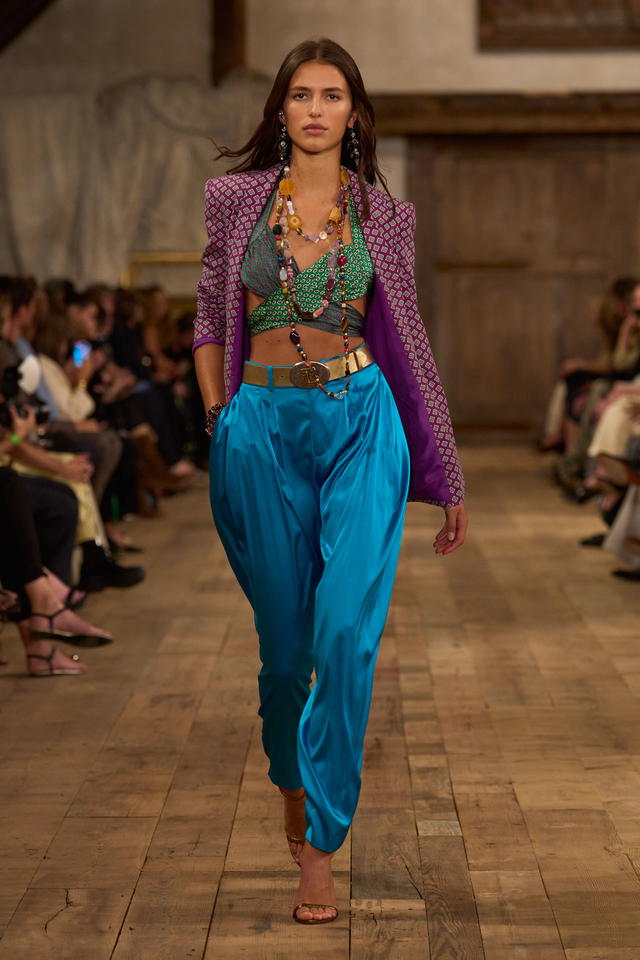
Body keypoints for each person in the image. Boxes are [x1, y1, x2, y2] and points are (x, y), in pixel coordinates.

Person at [193, 38, 467, 926]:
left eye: (333, 95)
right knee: (286, 654)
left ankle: (320, 846)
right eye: (301, 95)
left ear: (355, 113)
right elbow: (208, 317)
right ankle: (292, 777)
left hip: (360, 423)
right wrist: (221, 415)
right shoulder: (235, 200)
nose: (315, 109)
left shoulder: (385, 215)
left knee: (344, 632)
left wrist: (448, 467)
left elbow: (410, 336)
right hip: (261, 428)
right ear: (280, 109)